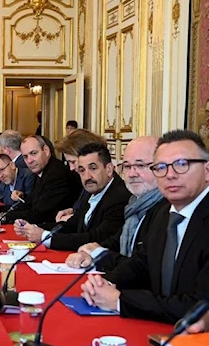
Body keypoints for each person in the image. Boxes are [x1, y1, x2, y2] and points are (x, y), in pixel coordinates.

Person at [80, 130, 209, 323]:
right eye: (161, 167)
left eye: (182, 165)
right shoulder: (164, 212)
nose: (170, 175)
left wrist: (119, 301)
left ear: (207, 170)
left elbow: (198, 306)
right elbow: (140, 265)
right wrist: (105, 282)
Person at [65, 137, 166, 271]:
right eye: (127, 166)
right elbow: (115, 241)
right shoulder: (135, 204)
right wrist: (90, 252)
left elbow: (143, 267)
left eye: (140, 165)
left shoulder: (166, 209)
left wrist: (99, 254)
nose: (131, 174)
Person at [14, 142, 131, 251]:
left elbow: (97, 238)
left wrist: (45, 237)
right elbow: (72, 224)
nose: (87, 176)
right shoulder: (90, 191)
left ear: (109, 169)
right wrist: (34, 228)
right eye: (82, 170)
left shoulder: (119, 196)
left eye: (93, 168)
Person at [0, 135, 80, 223]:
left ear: (46, 151)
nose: (29, 160)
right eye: (25, 156)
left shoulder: (56, 174)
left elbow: (38, 215)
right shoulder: (42, 171)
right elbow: (28, 204)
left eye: (34, 153)